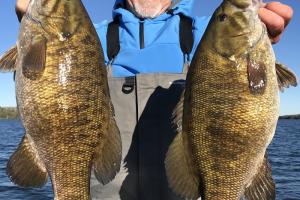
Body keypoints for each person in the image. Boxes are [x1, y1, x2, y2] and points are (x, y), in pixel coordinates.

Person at [15, 0, 293, 199]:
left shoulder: (206, 31)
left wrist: (257, 30)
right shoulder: (93, 35)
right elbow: (50, 94)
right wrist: (35, 34)